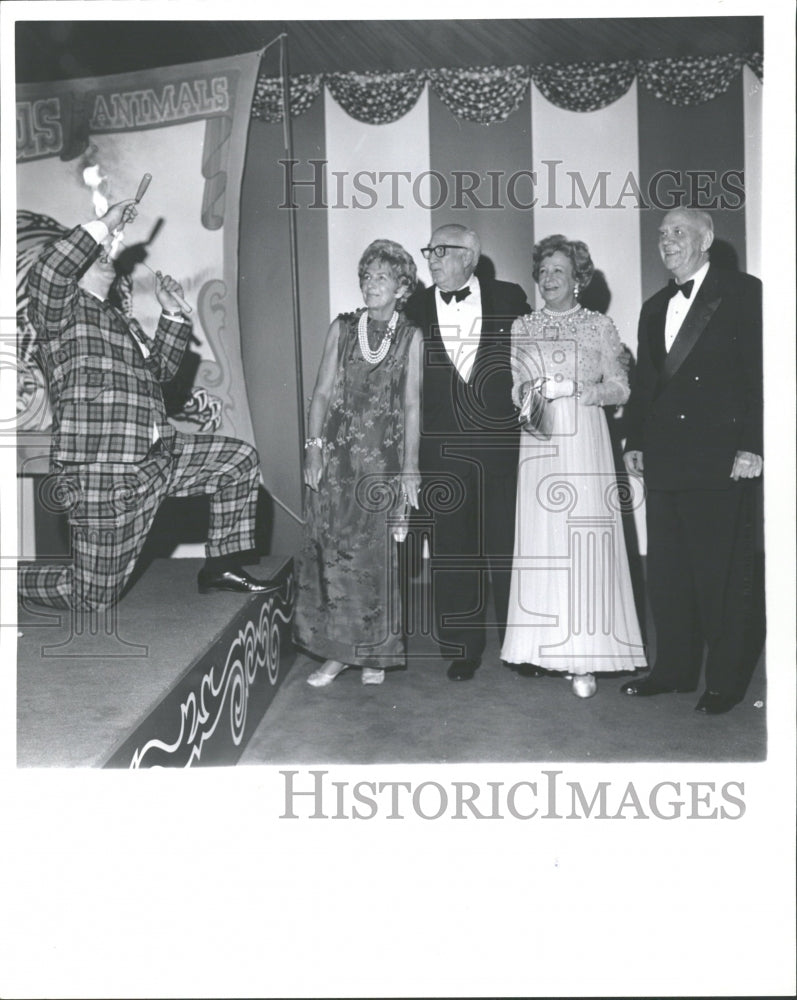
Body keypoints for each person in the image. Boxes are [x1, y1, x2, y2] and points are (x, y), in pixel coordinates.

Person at [19, 198, 270, 611]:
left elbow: (161, 373)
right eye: (96, 253)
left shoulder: (118, 321)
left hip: (158, 455)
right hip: (102, 469)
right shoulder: (59, 314)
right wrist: (104, 223)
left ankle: (221, 566)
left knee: (237, 460)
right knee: (91, 597)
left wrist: (172, 316)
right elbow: (49, 270)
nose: (105, 255)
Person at [621, 208, 762, 715]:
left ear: (706, 239)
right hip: (664, 459)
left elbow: (761, 376)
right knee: (669, 573)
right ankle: (673, 671)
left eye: (678, 232)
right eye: (662, 235)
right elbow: (645, 387)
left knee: (719, 577)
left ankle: (723, 682)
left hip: (720, 457)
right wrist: (633, 438)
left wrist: (754, 444)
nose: (667, 241)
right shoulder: (654, 305)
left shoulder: (744, 292)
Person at [500, 235, 647, 697]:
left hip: (584, 437)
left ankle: (585, 657)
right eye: (543, 271)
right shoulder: (522, 326)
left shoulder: (598, 327)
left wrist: (580, 391)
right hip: (540, 441)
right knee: (544, 541)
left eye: (559, 270)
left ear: (578, 278)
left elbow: (621, 388)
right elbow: (514, 386)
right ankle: (543, 647)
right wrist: (533, 392)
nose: (549, 279)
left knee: (584, 542)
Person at [293, 239, 422, 687]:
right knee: (331, 555)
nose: (371, 284)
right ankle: (335, 654)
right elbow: (323, 392)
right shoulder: (343, 328)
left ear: (402, 286)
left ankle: (374, 655)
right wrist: (312, 446)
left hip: (382, 463)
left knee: (375, 562)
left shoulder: (410, 336)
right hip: (336, 458)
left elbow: (410, 407)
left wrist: (410, 466)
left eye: (382, 277)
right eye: (366, 276)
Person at [405, 224, 531, 681]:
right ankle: (463, 648)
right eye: (429, 251)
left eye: (442, 251)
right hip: (441, 453)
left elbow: (532, 362)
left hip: (501, 449)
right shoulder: (413, 307)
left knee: (508, 550)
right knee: (453, 553)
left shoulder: (510, 297)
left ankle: (522, 645)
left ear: (470, 257)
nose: (432, 259)